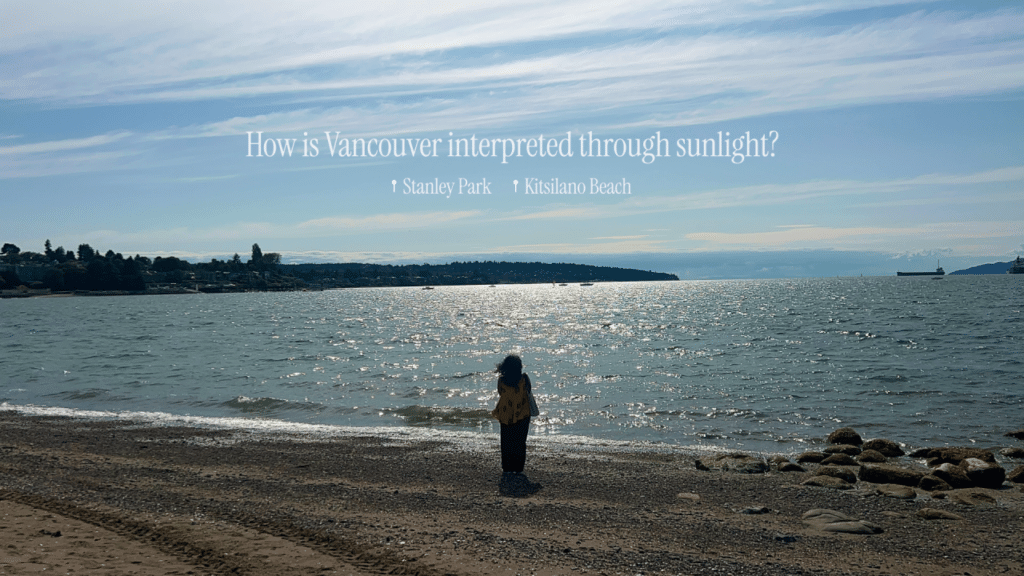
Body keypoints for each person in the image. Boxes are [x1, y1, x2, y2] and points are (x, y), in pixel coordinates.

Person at [491, 354, 540, 496]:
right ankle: (518, 468)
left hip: (506, 414)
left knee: (506, 441)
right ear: (519, 368)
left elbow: (500, 392)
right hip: (522, 414)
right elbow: (529, 391)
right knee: (520, 442)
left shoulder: (502, 380)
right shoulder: (524, 379)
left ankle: (507, 468)